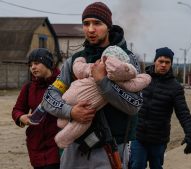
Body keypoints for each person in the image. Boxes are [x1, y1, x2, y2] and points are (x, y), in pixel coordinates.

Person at [39, 2, 143, 169]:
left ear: (108, 26)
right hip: (75, 148)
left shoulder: (128, 60)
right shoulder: (75, 61)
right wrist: (71, 111)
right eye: (86, 24)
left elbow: (134, 105)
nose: (91, 29)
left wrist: (103, 82)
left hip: (112, 148)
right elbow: (49, 97)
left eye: (97, 23)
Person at [55, 45, 151, 148]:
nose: (91, 30)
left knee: (79, 118)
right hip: (87, 107)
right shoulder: (118, 80)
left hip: (71, 94)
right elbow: (134, 85)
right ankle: (62, 139)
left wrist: (79, 60)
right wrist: (145, 78)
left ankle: (62, 125)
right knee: (80, 124)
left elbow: (79, 69)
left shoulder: (95, 67)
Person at [130, 47, 191, 169]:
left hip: (159, 139)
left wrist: (190, 134)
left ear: (171, 64)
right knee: (136, 165)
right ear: (155, 61)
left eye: (167, 62)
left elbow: (183, 112)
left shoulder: (175, 87)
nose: (163, 65)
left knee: (156, 166)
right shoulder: (142, 80)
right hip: (138, 135)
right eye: (161, 61)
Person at [11, 48, 60, 169]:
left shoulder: (63, 84)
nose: (33, 67)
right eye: (30, 65)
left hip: (58, 146)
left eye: (37, 63)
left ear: (48, 63)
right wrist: (21, 117)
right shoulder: (28, 87)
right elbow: (17, 109)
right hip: (36, 146)